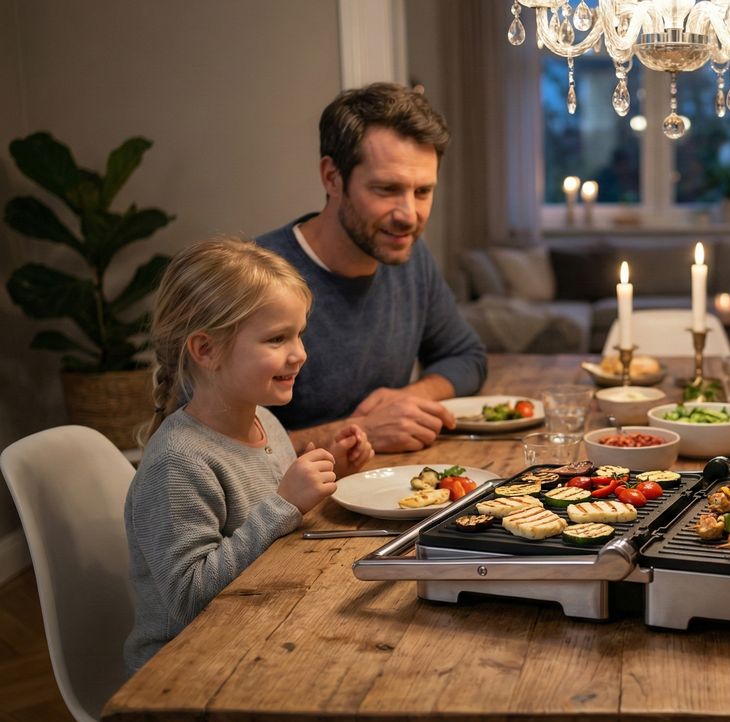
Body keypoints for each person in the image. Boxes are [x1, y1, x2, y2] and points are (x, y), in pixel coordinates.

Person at [124, 239, 373, 673]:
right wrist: (285, 503)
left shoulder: (263, 421)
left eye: (299, 334)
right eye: (277, 338)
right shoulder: (178, 463)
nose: (300, 353)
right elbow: (188, 600)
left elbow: (272, 520)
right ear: (206, 350)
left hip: (259, 629)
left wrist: (331, 469)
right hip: (188, 668)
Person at [254, 82, 487, 454]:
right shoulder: (252, 279)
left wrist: (408, 398)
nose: (409, 216)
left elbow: (465, 357)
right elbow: (211, 448)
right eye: (386, 189)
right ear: (332, 177)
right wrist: (356, 433)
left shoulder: (410, 257)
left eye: (423, 191)